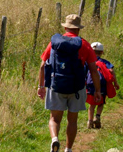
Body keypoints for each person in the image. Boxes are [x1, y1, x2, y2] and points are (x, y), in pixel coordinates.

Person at [38, 14, 101, 152]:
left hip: (56, 85)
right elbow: (93, 70)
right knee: (72, 121)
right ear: (78, 29)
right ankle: (68, 149)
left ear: (65, 27)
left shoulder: (54, 43)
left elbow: (43, 65)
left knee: (54, 119)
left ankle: (54, 139)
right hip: (77, 88)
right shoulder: (84, 44)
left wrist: (41, 86)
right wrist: (97, 90)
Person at [85, 42, 119, 129]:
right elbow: (111, 71)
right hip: (102, 85)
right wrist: (115, 82)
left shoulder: (88, 62)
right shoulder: (105, 62)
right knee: (101, 102)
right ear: (102, 52)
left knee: (91, 105)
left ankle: (90, 121)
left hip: (91, 85)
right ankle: (98, 116)